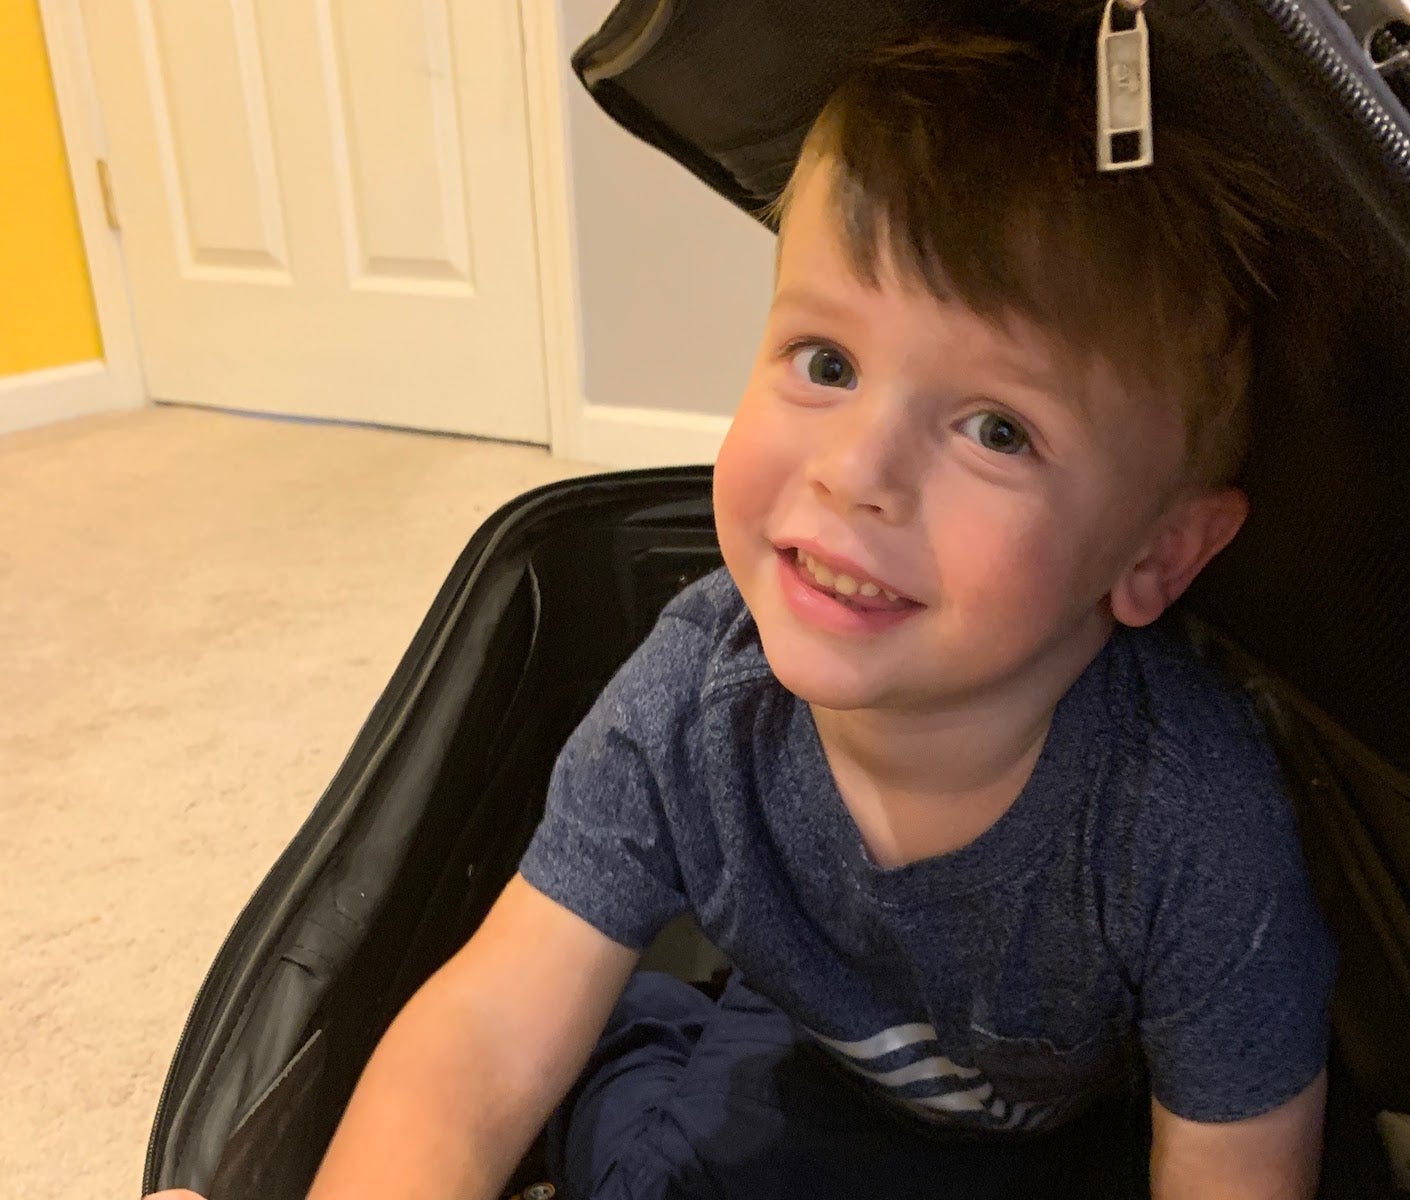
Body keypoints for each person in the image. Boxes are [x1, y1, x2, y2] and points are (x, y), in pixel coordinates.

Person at [151, 15, 1337, 1200]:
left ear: (1157, 553)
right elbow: (488, 1033)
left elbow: (1236, 1177)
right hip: (795, 1076)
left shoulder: (1187, 819)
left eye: (998, 430)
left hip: (1066, 1153)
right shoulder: (695, 693)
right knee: (629, 1131)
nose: (856, 472)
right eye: (825, 361)